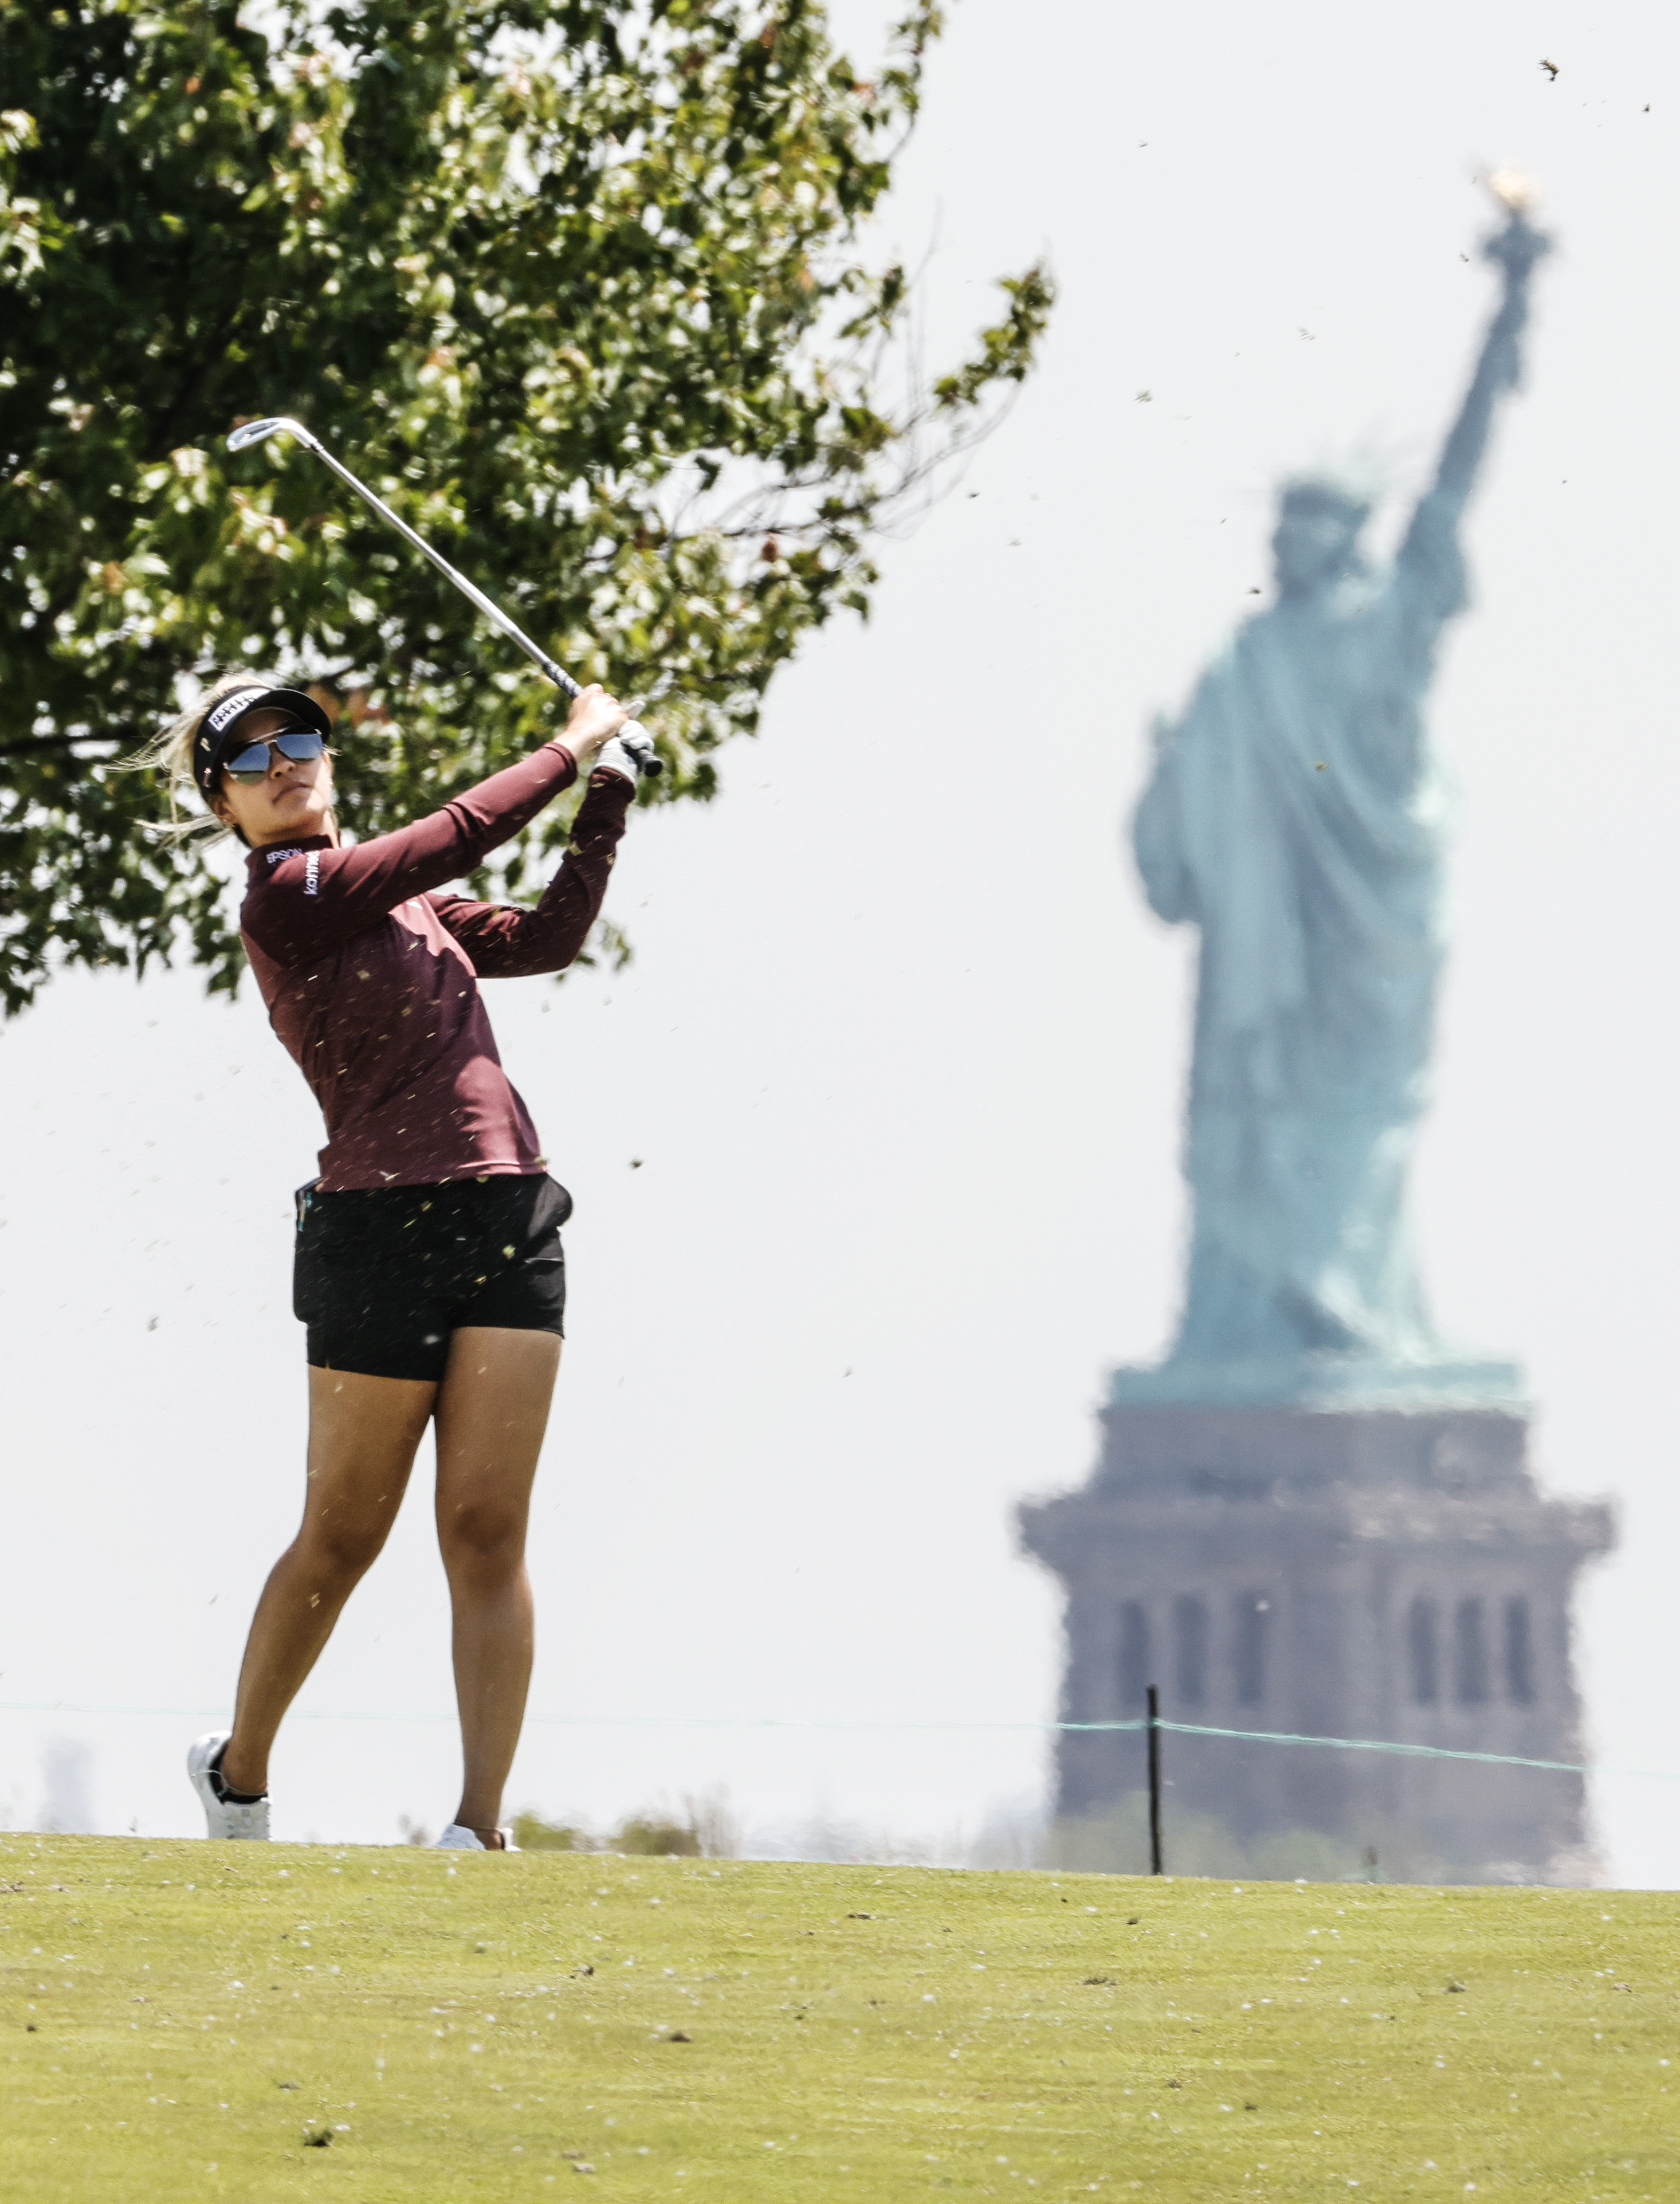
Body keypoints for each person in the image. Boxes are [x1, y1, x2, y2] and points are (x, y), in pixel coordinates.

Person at [148, 672, 641, 1848]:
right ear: (225, 807)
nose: (287, 765)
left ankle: (477, 1827)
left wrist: (606, 798)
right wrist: (570, 746)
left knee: (484, 1528)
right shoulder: (289, 897)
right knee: (346, 1533)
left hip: (508, 1218)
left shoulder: (401, 902)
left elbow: (547, 938)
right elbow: (452, 836)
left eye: (300, 741)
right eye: (254, 761)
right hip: (377, 1230)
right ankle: (241, 1773)